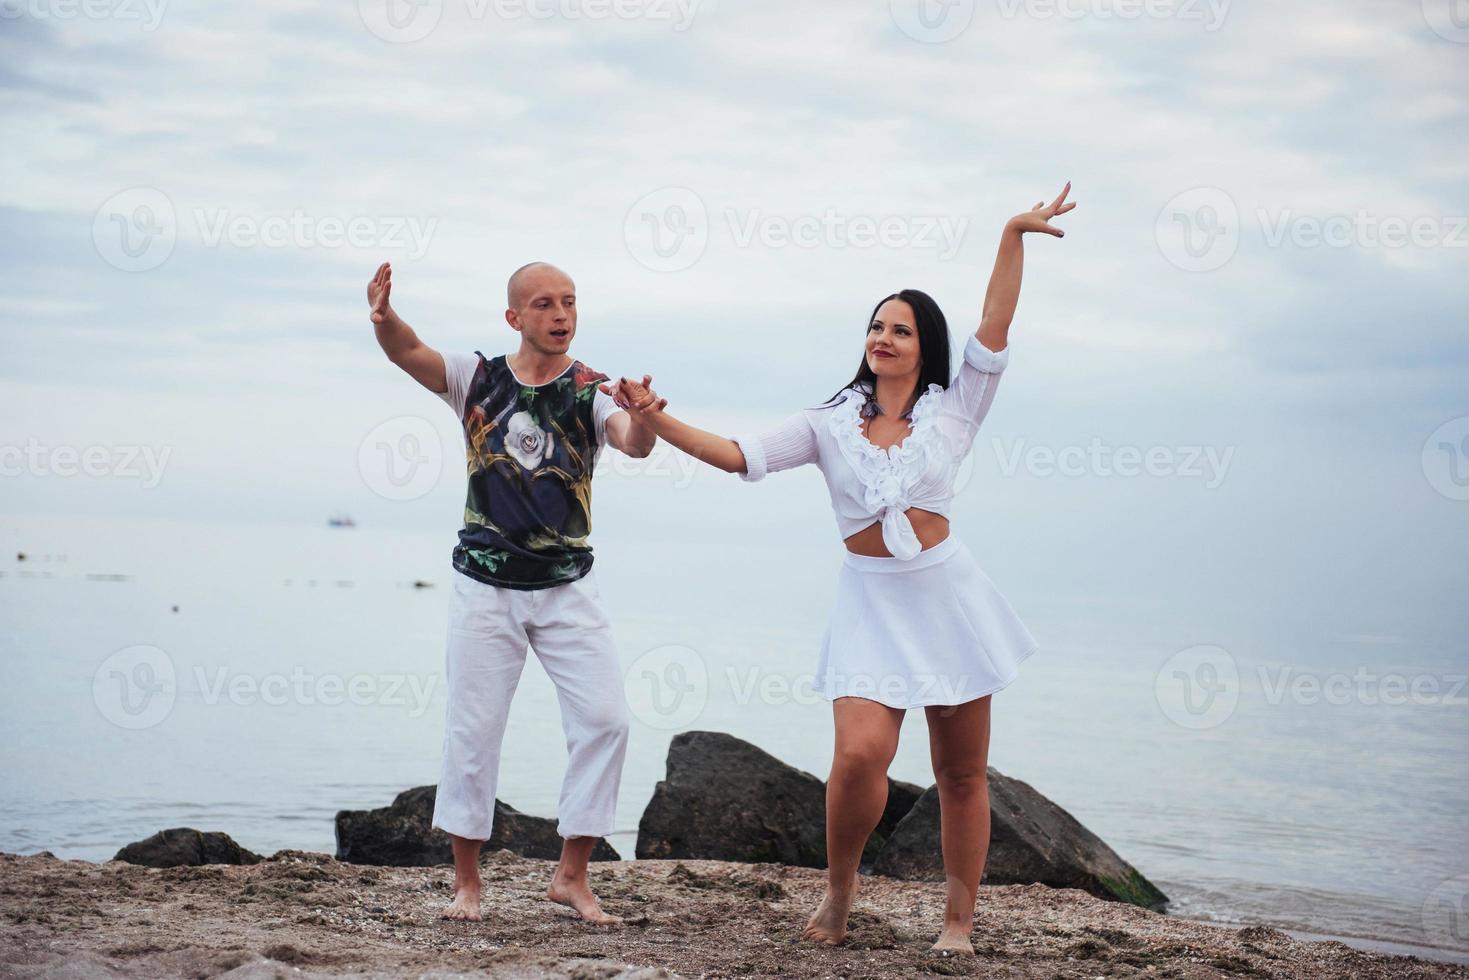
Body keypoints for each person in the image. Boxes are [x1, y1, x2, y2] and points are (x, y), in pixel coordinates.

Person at [609, 183, 1075, 954]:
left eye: (898, 328)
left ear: (924, 343)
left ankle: (957, 922)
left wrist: (1010, 234)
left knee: (961, 774)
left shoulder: (956, 407)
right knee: (860, 756)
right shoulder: (826, 424)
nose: (882, 337)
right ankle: (838, 893)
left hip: (947, 596)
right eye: (874, 326)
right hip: (870, 601)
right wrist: (656, 418)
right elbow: (738, 456)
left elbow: (994, 325)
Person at [367, 260, 657, 924]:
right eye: (546, 304)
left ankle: (571, 877)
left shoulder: (594, 390)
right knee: (472, 733)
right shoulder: (479, 377)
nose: (561, 314)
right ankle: (467, 884)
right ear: (515, 317)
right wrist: (384, 319)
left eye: (570, 302)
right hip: (484, 586)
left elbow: (631, 443)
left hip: (565, 588)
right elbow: (409, 353)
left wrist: (644, 420)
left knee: (606, 720)